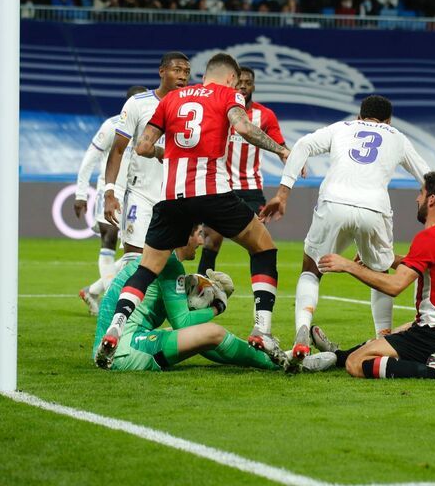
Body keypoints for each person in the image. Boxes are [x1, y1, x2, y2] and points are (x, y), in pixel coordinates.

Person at [95, 53, 290, 370]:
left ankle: (117, 324)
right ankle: (262, 330)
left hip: (170, 196)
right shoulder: (228, 94)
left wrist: (166, 152)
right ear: (230, 78)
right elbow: (242, 127)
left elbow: (143, 147)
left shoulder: (172, 100)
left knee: (147, 269)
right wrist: (280, 148)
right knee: (263, 247)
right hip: (212, 189)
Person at [260, 95, 435, 364]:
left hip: (334, 202)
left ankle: (302, 331)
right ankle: (383, 336)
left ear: (359, 116)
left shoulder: (342, 128)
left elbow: (304, 145)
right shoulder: (396, 136)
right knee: (381, 269)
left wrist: (283, 193)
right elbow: (428, 176)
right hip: (374, 208)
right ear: (388, 121)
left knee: (311, 268)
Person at [313, 171, 435, 380]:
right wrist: (386, 260)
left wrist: (348, 266)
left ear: (432, 199)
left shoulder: (429, 238)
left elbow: (394, 286)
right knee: (390, 337)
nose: (417, 199)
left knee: (356, 364)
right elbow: (428, 262)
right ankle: (337, 356)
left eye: (421, 193)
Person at [91, 225, 285, 372]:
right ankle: (273, 362)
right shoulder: (172, 264)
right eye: (199, 233)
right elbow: (182, 322)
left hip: (114, 346)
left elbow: (184, 323)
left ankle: (265, 358)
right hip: (127, 352)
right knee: (213, 332)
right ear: (185, 236)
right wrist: (218, 307)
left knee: (202, 336)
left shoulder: (155, 257)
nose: (201, 241)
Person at [102, 53, 190, 284]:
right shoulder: (138, 104)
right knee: (134, 262)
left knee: (167, 267)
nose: (182, 76)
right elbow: (118, 150)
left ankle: (145, 317)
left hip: (175, 197)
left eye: (186, 72)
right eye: (177, 69)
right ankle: (118, 315)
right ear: (162, 72)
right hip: (140, 194)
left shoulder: (191, 107)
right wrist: (110, 191)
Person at [197, 67, 288, 275]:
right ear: (232, 84)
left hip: (251, 189)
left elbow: (279, 144)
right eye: (240, 82)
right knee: (211, 241)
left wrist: (288, 157)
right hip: (221, 185)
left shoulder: (265, 115)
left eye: (248, 82)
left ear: (253, 85)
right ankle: (201, 291)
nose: (244, 86)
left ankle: (261, 298)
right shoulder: (219, 109)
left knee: (257, 243)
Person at [74, 85, 144, 314]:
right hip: (110, 192)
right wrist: (81, 194)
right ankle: (110, 299)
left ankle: (93, 291)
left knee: (136, 252)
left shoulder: (148, 128)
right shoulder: (112, 126)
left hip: (136, 195)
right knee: (109, 237)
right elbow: (89, 159)